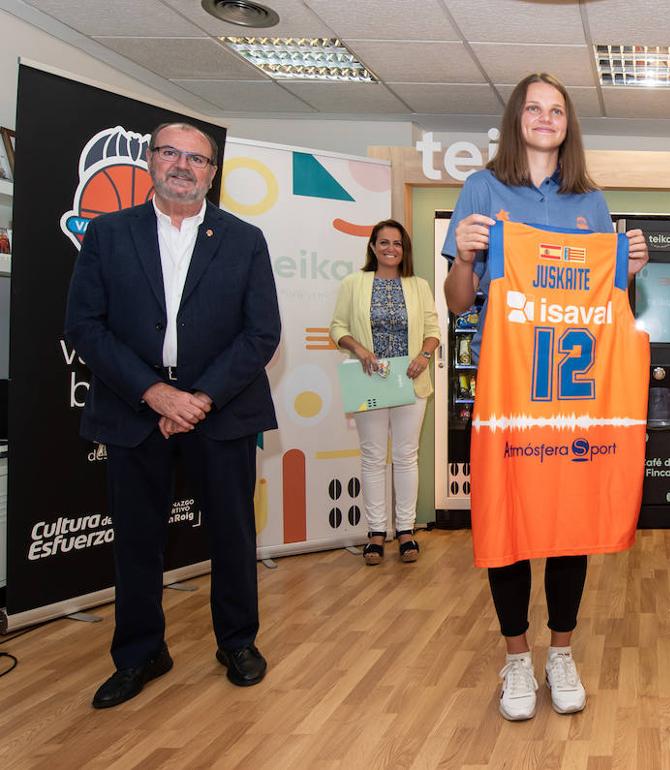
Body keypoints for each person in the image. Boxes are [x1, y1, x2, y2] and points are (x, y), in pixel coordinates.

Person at [442, 72, 648, 721]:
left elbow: (609, 309)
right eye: (534, 107)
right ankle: (515, 660)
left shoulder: (589, 201)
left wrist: (627, 273)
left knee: (568, 530)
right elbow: (456, 304)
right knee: (506, 529)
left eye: (556, 110)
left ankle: (561, 652)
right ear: (517, 117)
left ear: (568, 124)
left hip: (572, 402)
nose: (544, 117)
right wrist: (465, 259)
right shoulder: (481, 188)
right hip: (508, 397)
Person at [65, 122, 281, 708]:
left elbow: (261, 333)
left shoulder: (244, 239)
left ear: (213, 172)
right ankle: (140, 654)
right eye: (171, 153)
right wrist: (154, 394)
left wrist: (199, 399)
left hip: (221, 410)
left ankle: (237, 642)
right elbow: (84, 325)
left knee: (232, 535)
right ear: (150, 159)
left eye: (197, 158)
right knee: (136, 540)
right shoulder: (108, 235)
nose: (183, 166)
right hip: (135, 412)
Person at [330, 219, 440, 565]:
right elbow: (338, 327)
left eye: (397, 243)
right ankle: (376, 533)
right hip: (370, 380)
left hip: (410, 380)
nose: (391, 249)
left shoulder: (419, 285)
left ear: (404, 250)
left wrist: (424, 356)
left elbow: (434, 330)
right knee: (373, 457)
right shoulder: (354, 283)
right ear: (373, 247)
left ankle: (405, 531)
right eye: (384, 243)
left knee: (407, 456)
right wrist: (360, 350)